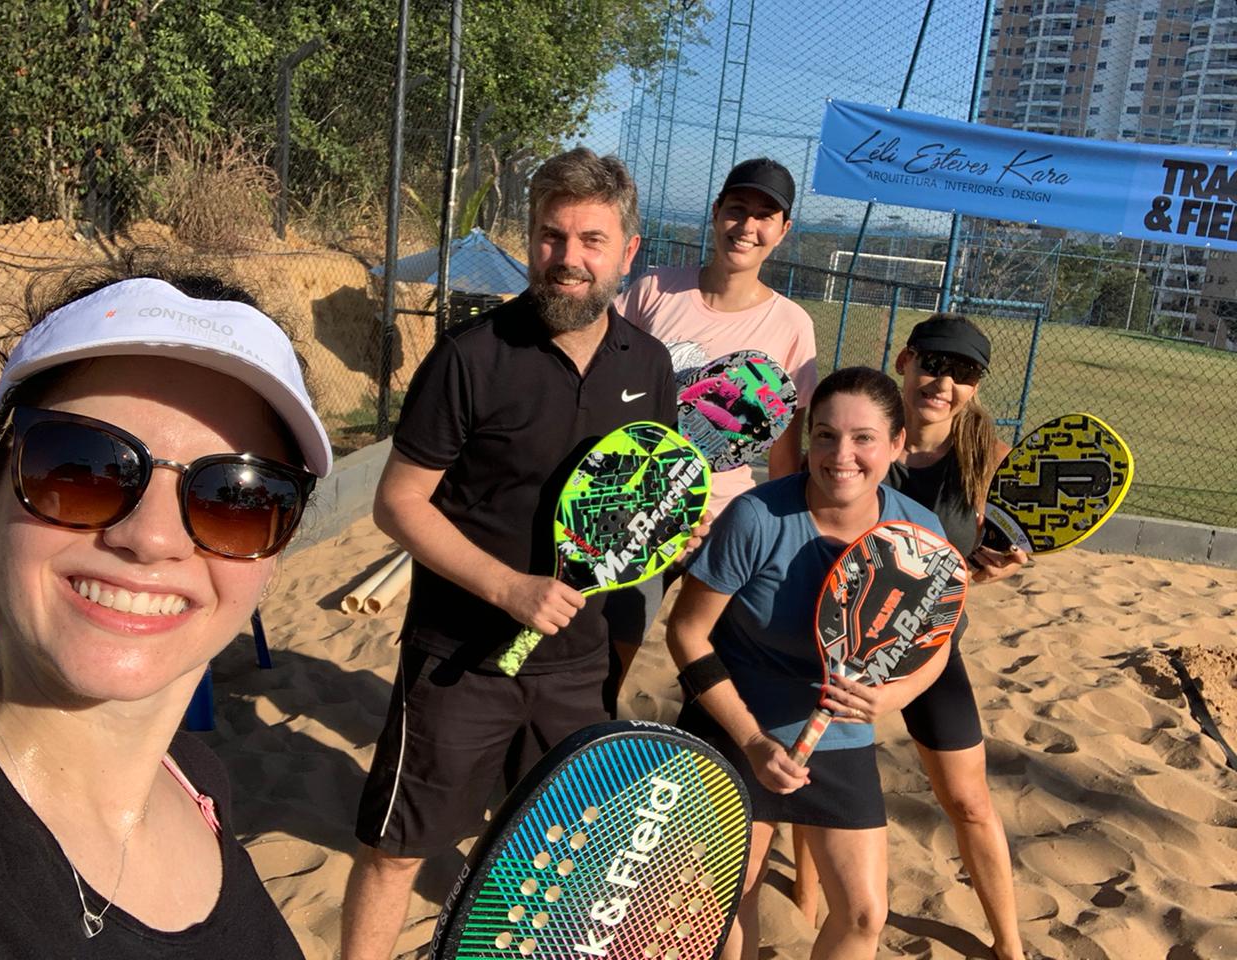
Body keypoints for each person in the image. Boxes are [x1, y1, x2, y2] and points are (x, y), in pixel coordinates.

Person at [340, 148, 682, 960]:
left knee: (553, 857)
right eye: (551, 237)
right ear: (528, 241)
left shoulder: (652, 365)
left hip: (578, 664)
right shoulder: (471, 357)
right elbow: (398, 504)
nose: (569, 259)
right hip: (461, 658)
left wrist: (666, 529)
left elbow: (640, 498)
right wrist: (509, 589)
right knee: (397, 851)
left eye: (591, 240)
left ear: (627, 252)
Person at [0, 257, 331, 956]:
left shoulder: (193, 778)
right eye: (78, 466)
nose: (150, 538)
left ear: (275, 554)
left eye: (238, 498)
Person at [667, 367, 954, 960]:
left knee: (863, 914)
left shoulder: (917, 531)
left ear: (897, 444)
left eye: (863, 438)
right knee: (728, 902)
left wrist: (894, 698)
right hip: (735, 728)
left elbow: (939, 640)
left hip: (839, 736)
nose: (840, 455)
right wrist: (750, 740)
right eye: (824, 436)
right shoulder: (757, 518)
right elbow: (687, 635)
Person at [792, 314, 1028, 960]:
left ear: (976, 387)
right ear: (904, 361)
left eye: (963, 373)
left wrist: (993, 570)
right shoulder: (861, 440)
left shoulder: (989, 461)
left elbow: (965, 570)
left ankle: (1009, 943)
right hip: (839, 638)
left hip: (927, 649)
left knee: (969, 800)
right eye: (933, 363)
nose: (943, 382)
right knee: (811, 780)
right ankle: (803, 906)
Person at [610, 157, 818, 673]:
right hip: (639, 503)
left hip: (725, 523)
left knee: (722, 667)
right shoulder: (653, 290)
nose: (747, 227)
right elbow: (606, 390)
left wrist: (784, 539)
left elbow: (785, 455)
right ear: (715, 212)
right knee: (608, 650)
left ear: (783, 231)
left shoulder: (792, 325)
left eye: (765, 216)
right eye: (737, 209)